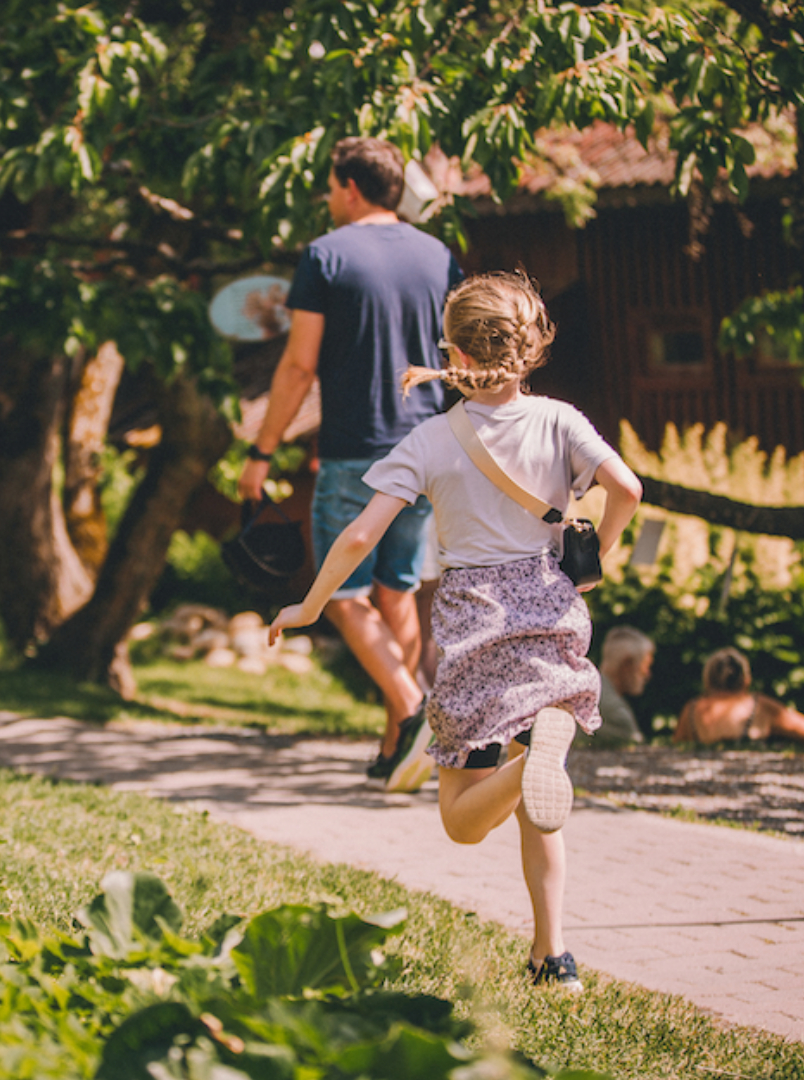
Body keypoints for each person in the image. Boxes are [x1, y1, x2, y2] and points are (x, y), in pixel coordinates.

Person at [270, 272, 643, 991]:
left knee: (463, 823)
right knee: (541, 798)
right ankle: (552, 955)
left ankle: (526, 772)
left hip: (477, 623)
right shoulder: (562, 420)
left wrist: (311, 606)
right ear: (531, 347)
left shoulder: (433, 439)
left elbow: (357, 537)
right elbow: (627, 489)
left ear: (454, 352)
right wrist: (601, 556)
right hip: (552, 609)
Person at [238, 136, 464, 792]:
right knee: (397, 588)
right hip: (427, 445)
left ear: (352, 188)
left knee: (338, 593)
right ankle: (400, 745)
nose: (328, 197)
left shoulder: (325, 255)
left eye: (331, 186)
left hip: (354, 450)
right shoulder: (437, 254)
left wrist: (262, 450)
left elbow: (299, 363)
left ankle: (414, 705)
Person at [676, 647, 804, 745]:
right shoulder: (759, 705)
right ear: (746, 680)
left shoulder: (692, 708)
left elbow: (676, 745)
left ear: (707, 679)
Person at [578, 625, 653, 748]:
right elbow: (636, 750)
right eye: (645, 666)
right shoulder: (615, 712)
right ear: (627, 665)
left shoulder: (584, 689)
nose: (648, 674)